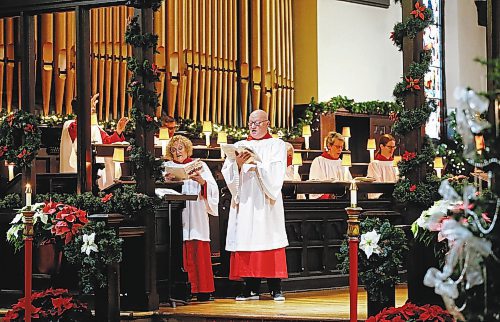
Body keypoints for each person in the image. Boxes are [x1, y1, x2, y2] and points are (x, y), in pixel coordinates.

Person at [221, 109, 288, 302]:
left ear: (267, 123)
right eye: (251, 123)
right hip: (245, 199)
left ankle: (276, 288)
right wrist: (239, 165)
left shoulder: (277, 144)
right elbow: (228, 172)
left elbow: (277, 172)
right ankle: (250, 288)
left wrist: (257, 164)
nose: (253, 126)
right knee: (246, 241)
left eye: (258, 123)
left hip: (266, 201)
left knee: (269, 239)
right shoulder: (240, 145)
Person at [163, 135, 219, 302]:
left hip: (196, 211)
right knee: (179, 248)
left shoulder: (200, 165)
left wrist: (202, 181)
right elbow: (160, 190)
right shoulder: (167, 167)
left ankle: (203, 290)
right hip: (177, 212)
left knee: (198, 247)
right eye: (173, 150)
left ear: (187, 149)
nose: (177, 152)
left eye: (180, 148)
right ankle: (182, 290)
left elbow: (213, 189)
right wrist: (167, 182)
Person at [59, 93, 129, 189]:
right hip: (81, 168)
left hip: (98, 167)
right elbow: (80, 133)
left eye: (93, 106)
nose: (93, 108)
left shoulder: (95, 127)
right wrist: (87, 113)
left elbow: (106, 141)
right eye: (90, 106)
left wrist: (118, 132)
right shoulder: (71, 125)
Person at [308, 131, 352, 199]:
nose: (340, 150)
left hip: (342, 200)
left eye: (341, 147)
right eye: (337, 147)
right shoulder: (318, 161)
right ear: (329, 146)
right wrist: (329, 195)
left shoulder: (342, 163)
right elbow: (315, 186)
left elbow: (349, 182)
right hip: (325, 202)